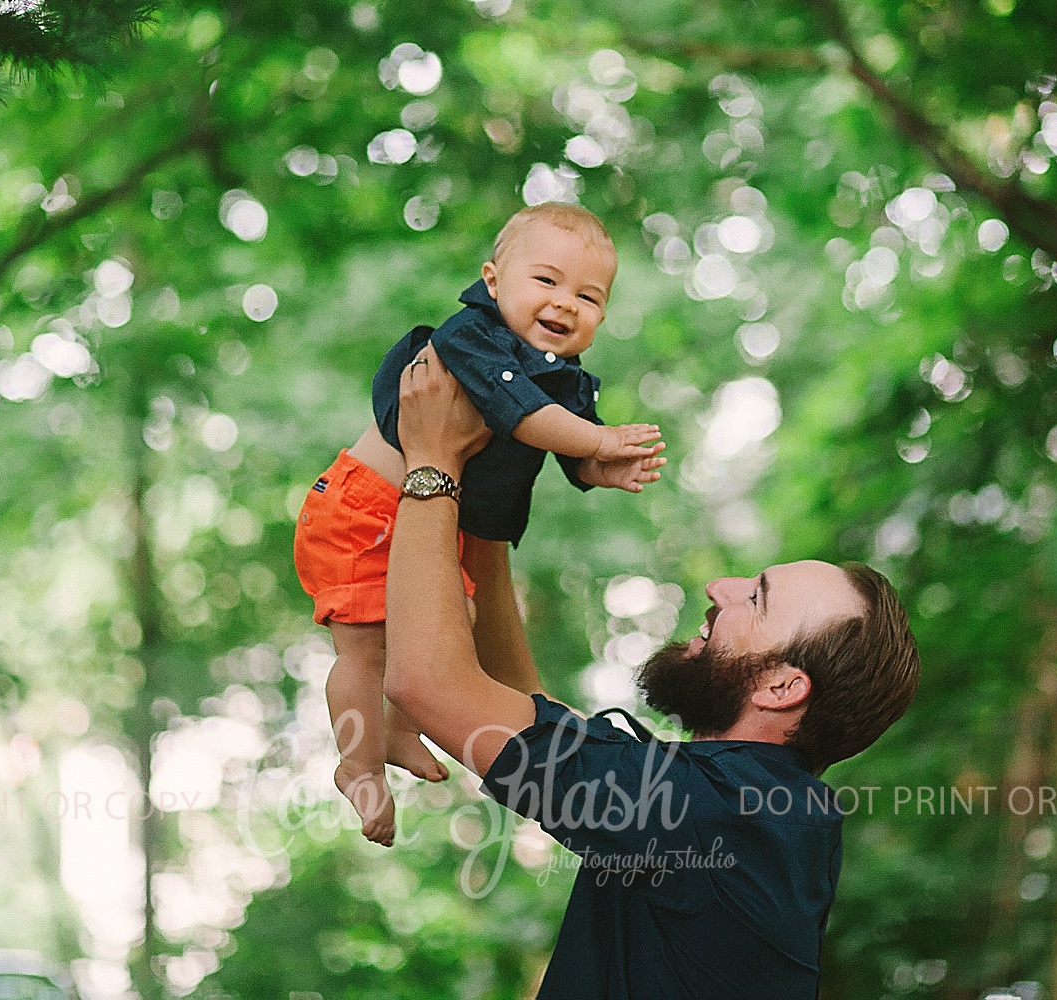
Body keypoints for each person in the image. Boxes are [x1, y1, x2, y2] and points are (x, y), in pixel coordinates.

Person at [383, 345, 920, 998]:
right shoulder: (752, 811)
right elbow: (523, 707)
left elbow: (427, 684)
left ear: (782, 687)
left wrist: (434, 461)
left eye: (757, 598)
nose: (721, 587)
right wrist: (494, 496)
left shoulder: (722, 814)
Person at [294, 204, 666, 845]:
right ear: (494, 282)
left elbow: (560, 446)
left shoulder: (562, 378)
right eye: (545, 282)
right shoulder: (474, 338)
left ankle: (399, 727)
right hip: (362, 511)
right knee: (363, 646)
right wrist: (600, 440)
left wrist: (596, 469)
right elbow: (523, 417)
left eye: (589, 296)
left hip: (423, 519)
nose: (565, 304)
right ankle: (356, 765)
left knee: (448, 630)